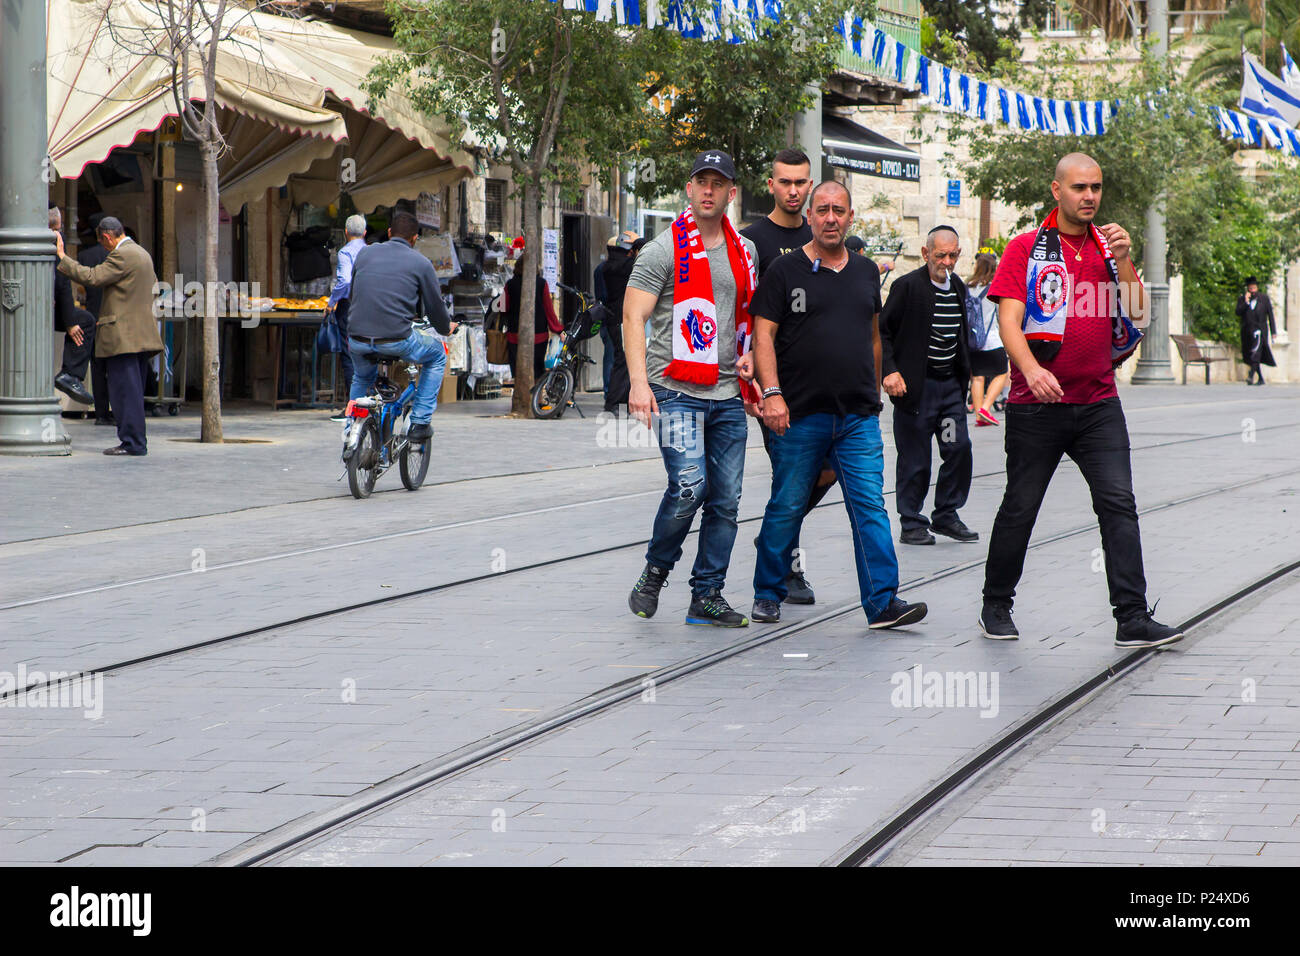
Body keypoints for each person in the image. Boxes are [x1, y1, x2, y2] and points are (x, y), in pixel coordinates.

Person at [979, 152, 1183, 649]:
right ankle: (996, 604)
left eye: (1095, 187)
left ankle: (1131, 617)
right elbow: (1009, 320)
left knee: (1119, 504)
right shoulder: (1026, 248)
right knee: (1021, 507)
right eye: (1078, 188)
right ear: (1057, 190)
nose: (1089, 196)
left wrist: (1128, 258)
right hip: (1035, 406)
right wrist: (1030, 369)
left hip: (1098, 403)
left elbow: (1137, 314)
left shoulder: (1108, 250)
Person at [747, 181, 927, 629]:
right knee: (787, 504)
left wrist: (872, 390)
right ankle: (768, 592)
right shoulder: (785, 273)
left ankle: (883, 602)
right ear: (810, 216)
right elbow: (762, 335)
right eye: (822, 210)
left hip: (856, 418)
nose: (831, 218)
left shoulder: (866, 272)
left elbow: (871, 335)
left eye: (839, 211)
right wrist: (772, 395)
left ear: (850, 218)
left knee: (869, 506)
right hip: (799, 414)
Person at [624, 149, 759, 627]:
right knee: (689, 486)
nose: (708, 190)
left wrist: (750, 358)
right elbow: (632, 317)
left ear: (730, 192)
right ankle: (656, 571)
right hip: (675, 389)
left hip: (728, 396)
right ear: (688, 188)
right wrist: (639, 385)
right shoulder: (662, 249)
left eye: (718, 183)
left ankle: (707, 596)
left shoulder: (745, 252)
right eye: (701, 181)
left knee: (726, 500)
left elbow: (746, 321)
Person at [740, 148, 826, 605]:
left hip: (823, 383)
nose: (794, 191)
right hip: (774, 385)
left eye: (801, 182)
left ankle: (772, 538)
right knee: (789, 478)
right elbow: (742, 311)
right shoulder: (752, 240)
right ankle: (787, 570)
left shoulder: (826, 234)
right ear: (770, 184)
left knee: (825, 471)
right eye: (785, 182)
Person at [880, 225, 977, 546]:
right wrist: (889, 371)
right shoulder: (907, 287)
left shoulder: (959, 288)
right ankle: (911, 522)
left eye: (953, 255)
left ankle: (946, 514)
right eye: (941, 255)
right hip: (915, 391)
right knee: (916, 458)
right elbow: (882, 333)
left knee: (958, 447)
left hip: (949, 389)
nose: (947, 262)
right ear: (926, 254)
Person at [55, 217, 162, 456]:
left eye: (103, 243)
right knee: (132, 391)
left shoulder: (122, 255)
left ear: (106, 237)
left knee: (125, 392)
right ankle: (134, 441)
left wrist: (63, 257)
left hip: (124, 336)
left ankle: (133, 443)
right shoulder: (143, 253)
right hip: (140, 335)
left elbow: (93, 277)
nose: (104, 248)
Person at [345, 211, 453, 447]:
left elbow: (354, 294)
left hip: (356, 337)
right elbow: (436, 309)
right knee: (437, 354)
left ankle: (350, 429)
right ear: (415, 239)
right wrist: (446, 327)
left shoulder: (365, 253)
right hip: (396, 338)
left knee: (362, 375)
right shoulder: (421, 263)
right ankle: (420, 421)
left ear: (390, 233)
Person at [48, 206, 96, 407]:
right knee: (85, 321)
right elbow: (62, 280)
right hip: (42, 307)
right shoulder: (56, 239)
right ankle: (70, 374)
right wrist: (70, 321)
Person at [325, 214, 368, 418]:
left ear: (346, 232)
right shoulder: (370, 252)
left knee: (349, 353)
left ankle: (353, 405)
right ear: (365, 233)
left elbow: (344, 281)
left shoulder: (345, 252)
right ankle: (367, 401)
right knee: (367, 350)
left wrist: (332, 302)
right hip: (370, 305)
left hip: (350, 305)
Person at [595, 231, 640, 411]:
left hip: (611, 318)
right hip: (623, 319)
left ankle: (617, 400)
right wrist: (640, 242)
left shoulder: (605, 267)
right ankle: (614, 401)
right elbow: (649, 252)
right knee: (622, 360)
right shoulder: (628, 266)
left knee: (618, 358)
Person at [76, 213, 114, 425]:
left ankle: (101, 413)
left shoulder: (85, 257)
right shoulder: (118, 255)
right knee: (117, 368)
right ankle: (117, 411)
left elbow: (82, 290)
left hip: (93, 315)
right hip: (114, 318)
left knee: (98, 368)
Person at [502, 255, 563, 383]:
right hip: (538, 334)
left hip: (515, 334)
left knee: (519, 370)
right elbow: (548, 309)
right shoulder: (541, 283)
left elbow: (504, 308)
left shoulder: (510, 284)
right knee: (538, 369)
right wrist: (557, 329)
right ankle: (537, 398)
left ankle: (522, 397)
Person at [966, 251, 1008, 425]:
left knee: (977, 377)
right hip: (991, 339)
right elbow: (1000, 316)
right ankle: (986, 406)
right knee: (1002, 373)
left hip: (972, 340)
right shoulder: (995, 287)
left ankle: (978, 415)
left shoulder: (967, 286)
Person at [1236, 276, 1276, 386]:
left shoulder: (1264, 299)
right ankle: (1261, 378)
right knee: (1252, 354)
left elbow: (1270, 315)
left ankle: (1250, 375)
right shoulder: (1243, 299)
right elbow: (1238, 312)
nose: (1252, 290)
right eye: (1250, 288)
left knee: (1256, 353)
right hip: (1248, 332)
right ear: (1248, 289)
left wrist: (1273, 332)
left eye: (1254, 288)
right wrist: (1246, 302)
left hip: (1261, 331)